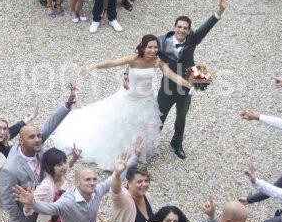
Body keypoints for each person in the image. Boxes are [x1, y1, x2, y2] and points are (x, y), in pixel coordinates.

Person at [49, 34, 190, 170]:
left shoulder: (157, 61)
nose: (153, 50)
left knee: (141, 127)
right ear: (143, 47)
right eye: (149, 47)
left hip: (146, 100)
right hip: (130, 99)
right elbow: (112, 63)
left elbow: (172, 75)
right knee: (122, 128)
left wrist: (190, 84)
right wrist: (93, 66)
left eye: (155, 47)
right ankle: (121, 155)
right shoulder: (134, 59)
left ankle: (137, 153)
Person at [0, 86, 76, 222]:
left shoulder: (38, 148)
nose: (38, 139)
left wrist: (66, 106)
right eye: (32, 137)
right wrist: (19, 218)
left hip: (39, 206)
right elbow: (6, 198)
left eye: (39, 136)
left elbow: (49, 125)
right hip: (22, 213)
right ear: (21, 141)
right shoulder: (11, 167)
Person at [157, 0, 228, 159]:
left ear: (189, 31)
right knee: (158, 117)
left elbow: (207, 26)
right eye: (179, 27)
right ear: (174, 27)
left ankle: (177, 143)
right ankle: (149, 144)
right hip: (167, 86)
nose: (182, 30)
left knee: (181, 118)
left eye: (185, 28)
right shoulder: (161, 41)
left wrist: (220, 11)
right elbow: (141, 54)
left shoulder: (192, 39)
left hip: (187, 85)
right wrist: (127, 72)